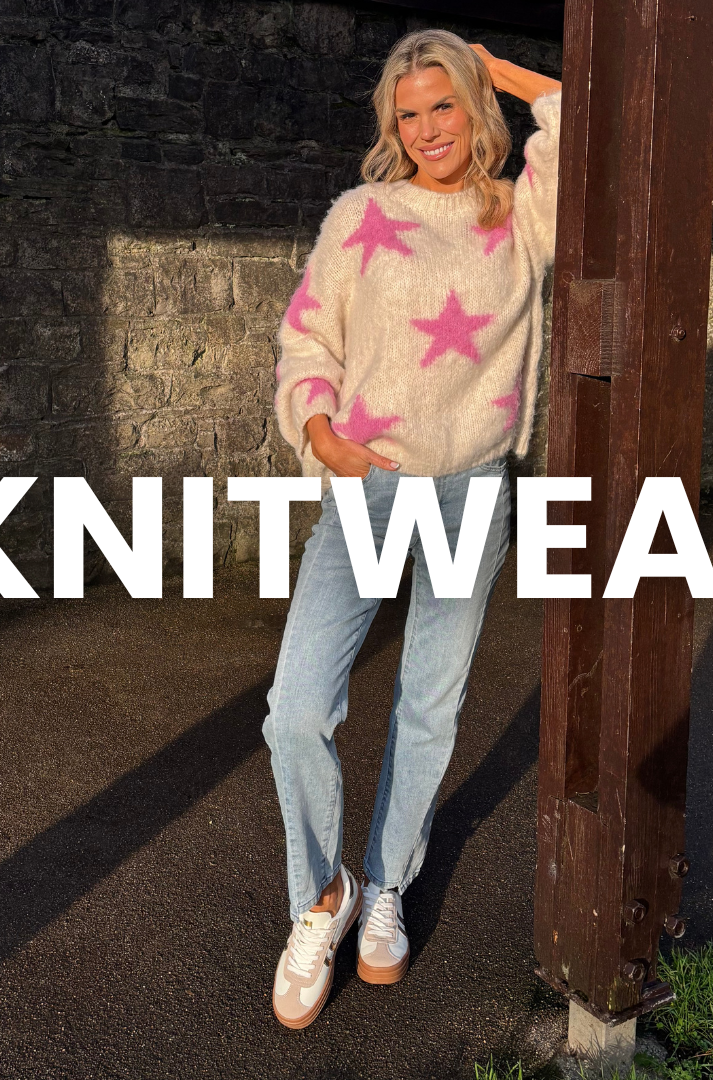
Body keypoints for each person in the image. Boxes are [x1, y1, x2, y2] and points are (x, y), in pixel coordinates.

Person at [264, 28, 562, 1029]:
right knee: (297, 707)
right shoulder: (362, 214)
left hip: (472, 489)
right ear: (391, 127)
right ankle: (323, 898)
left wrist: (502, 73)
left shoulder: (518, 214)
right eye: (410, 113)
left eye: (446, 105)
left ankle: (387, 883)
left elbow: (580, 124)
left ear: (474, 111)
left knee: (429, 704)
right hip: (372, 487)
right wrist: (318, 430)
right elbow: (308, 336)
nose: (430, 127)